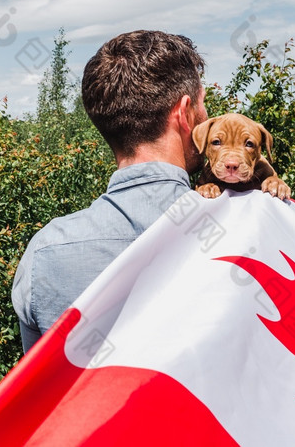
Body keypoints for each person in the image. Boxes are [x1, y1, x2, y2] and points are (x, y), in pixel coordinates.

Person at [12, 30, 209, 352]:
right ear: (184, 113)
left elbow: (44, 388)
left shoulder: (46, 253)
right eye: (204, 107)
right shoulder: (254, 224)